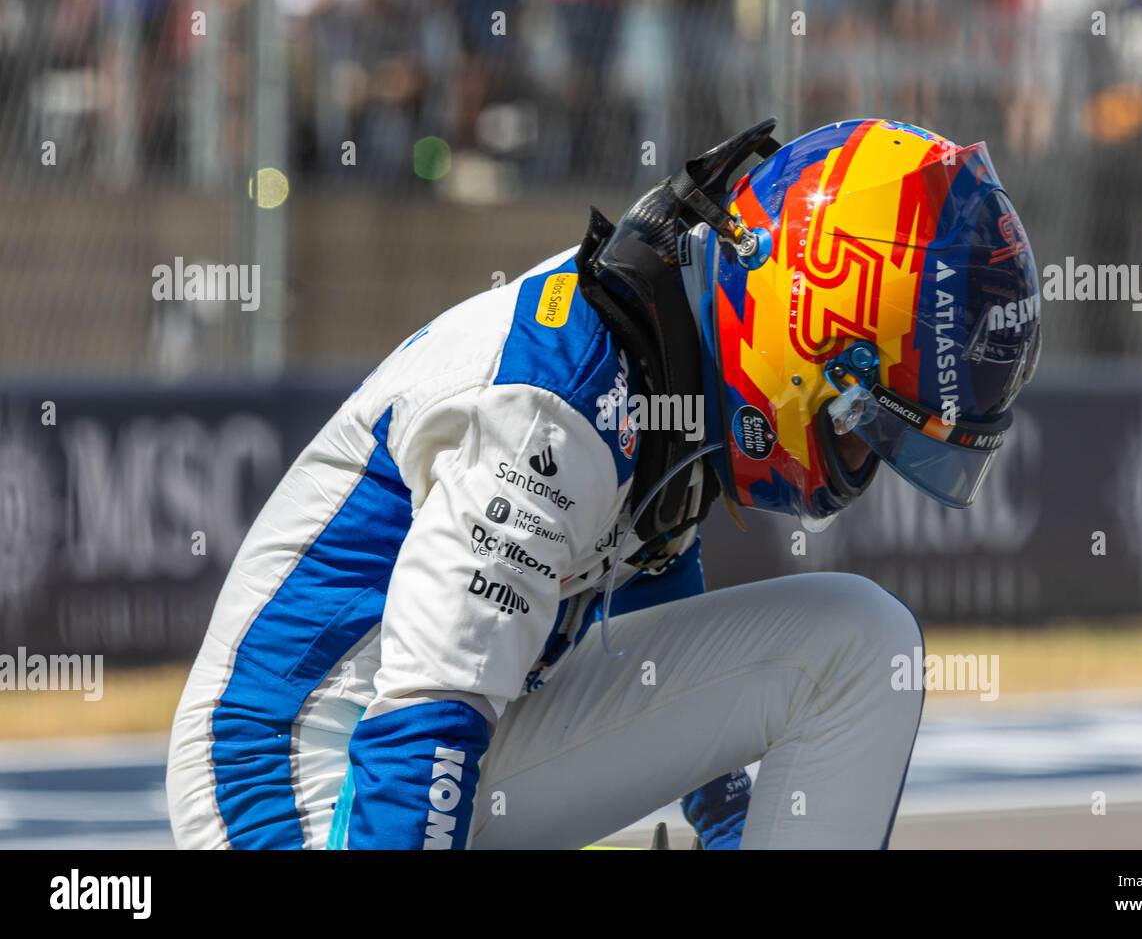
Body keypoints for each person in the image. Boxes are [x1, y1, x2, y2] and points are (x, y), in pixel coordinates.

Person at [166, 116, 1041, 850]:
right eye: (867, 426)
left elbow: (658, 607)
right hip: (291, 783)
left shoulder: (667, 348)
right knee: (858, 639)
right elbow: (424, 719)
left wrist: (733, 826)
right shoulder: (555, 407)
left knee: (862, 642)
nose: (862, 465)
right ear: (809, 340)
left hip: (427, 743)